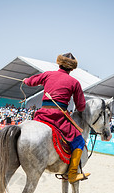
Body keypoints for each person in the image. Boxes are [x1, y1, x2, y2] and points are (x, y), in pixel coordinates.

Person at [23, 52, 90, 184]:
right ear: (72, 68)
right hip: (59, 118)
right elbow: (81, 106)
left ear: (59, 63)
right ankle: (72, 174)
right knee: (79, 141)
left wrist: (25, 80)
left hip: (41, 115)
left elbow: (30, 82)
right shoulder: (74, 82)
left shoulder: (48, 74)